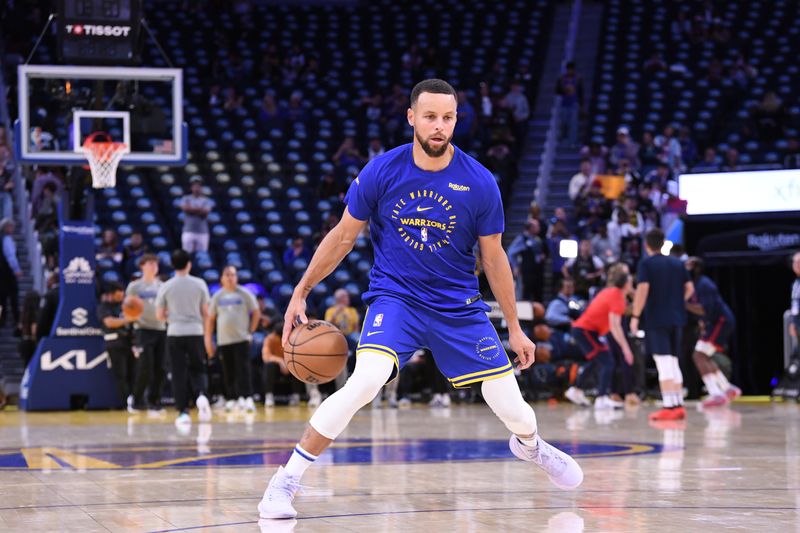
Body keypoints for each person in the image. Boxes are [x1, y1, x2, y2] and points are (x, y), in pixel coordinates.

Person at [258, 79, 582, 520]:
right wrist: (301, 291)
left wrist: (516, 327)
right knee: (365, 381)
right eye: (430, 116)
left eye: (447, 117)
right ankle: (285, 482)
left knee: (514, 410)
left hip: (459, 308)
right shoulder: (381, 171)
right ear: (412, 117)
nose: (439, 126)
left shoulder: (480, 182)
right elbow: (341, 237)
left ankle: (531, 446)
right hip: (397, 300)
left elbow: (494, 258)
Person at [630, 229, 694, 421]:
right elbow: (689, 288)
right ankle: (678, 404)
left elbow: (643, 289)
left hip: (657, 319)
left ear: (646, 244)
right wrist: (676, 301)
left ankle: (669, 405)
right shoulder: (677, 263)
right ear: (663, 243)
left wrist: (635, 315)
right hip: (677, 318)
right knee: (674, 361)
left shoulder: (646, 264)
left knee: (663, 361)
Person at [155, 249, 213, 427]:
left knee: (178, 373)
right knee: (198, 368)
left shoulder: (165, 286)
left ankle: (182, 412)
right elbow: (206, 312)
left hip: (175, 332)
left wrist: (172, 316)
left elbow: (159, 316)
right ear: (189, 264)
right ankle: (201, 395)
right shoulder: (200, 283)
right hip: (195, 332)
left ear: (172, 265)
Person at [565, 269, 635, 409]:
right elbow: (615, 325)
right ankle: (601, 398)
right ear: (626, 283)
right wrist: (626, 349)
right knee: (607, 361)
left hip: (586, 330)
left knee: (598, 360)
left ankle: (576, 390)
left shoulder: (610, 292)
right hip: (586, 330)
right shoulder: (617, 296)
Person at [685, 257, 741, 407]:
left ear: (695, 268)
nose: (685, 268)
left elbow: (705, 309)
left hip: (721, 322)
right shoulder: (696, 284)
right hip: (715, 322)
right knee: (704, 357)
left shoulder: (704, 284)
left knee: (699, 355)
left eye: (688, 265)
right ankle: (727, 388)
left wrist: (684, 304)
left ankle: (715, 393)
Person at [205, 265, 260, 413]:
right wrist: (208, 340)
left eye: (233, 275)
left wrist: (251, 331)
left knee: (244, 369)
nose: (230, 277)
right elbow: (210, 319)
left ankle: (247, 398)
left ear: (236, 277)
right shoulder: (217, 296)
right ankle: (231, 399)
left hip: (241, 338)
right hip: (224, 340)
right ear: (222, 278)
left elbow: (256, 312)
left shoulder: (244, 293)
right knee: (227, 371)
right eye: (227, 275)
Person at [126, 254, 167, 413]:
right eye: (150, 263)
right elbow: (127, 308)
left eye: (155, 264)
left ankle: (154, 400)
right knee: (145, 366)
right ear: (142, 266)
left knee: (161, 367)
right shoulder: (135, 287)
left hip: (161, 329)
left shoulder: (162, 286)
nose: (153, 266)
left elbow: (166, 306)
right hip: (143, 330)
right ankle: (136, 400)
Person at [97, 282, 136, 411]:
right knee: (121, 374)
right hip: (114, 344)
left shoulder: (125, 306)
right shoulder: (103, 307)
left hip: (129, 343)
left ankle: (135, 400)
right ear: (110, 295)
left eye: (122, 295)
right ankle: (125, 403)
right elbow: (110, 323)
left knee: (134, 373)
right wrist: (127, 319)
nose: (121, 298)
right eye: (118, 295)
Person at [261, 320, 305, 407]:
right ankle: (269, 396)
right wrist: (280, 361)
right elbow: (266, 357)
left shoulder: (294, 338)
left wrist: (288, 363)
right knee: (269, 366)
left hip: (291, 366)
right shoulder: (270, 339)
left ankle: (296, 396)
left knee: (298, 365)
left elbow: (299, 356)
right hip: (277, 368)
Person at [507, 219, 546, 302]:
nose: (539, 228)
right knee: (525, 294)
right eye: (537, 226)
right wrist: (515, 266)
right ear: (531, 228)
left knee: (537, 295)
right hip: (526, 272)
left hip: (536, 272)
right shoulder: (522, 239)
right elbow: (511, 252)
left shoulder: (537, 239)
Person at [181, 176, 213, 253]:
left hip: (202, 232)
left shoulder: (206, 200)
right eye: (194, 186)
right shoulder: (186, 198)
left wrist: (192, 209)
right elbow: (186, 209)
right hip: (188, 231)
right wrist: (199, 209)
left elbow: (205, 212)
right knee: (186, 255)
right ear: (191, 187)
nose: (196, 188)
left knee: (202, 255)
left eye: (198, 186)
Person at [0, 218, 21, 331]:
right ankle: (16, 319)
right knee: (13, 297)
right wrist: (16, 269)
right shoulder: (7, 239)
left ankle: (2, 319)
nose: (13, 229)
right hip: (7, 273)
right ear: (7, 227)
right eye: (11, 227)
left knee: (1, 299)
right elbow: (10, 256)